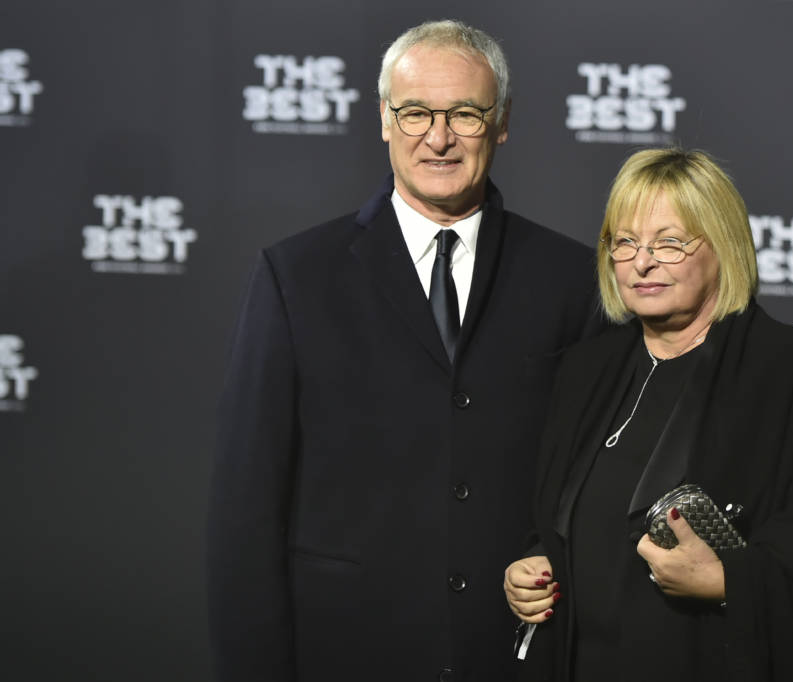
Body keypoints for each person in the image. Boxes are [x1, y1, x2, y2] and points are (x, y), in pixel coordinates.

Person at [208, 20, 603, 682]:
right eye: (416, 112)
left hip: (514, 655)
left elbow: (590, 482)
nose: (439, 137)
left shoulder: (571, 279)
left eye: (465, 115)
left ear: (502, 123)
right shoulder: (297, 275)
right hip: (345, 651)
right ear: (385, 120)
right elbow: (247, 507)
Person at [504, 148, 793, 681]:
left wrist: (728, 580)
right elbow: (561, 522)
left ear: (723, 247)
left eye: (669, 242)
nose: (642, 262)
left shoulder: (786, 365)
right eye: (625, 242)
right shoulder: (587, 367)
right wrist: (536, 564)